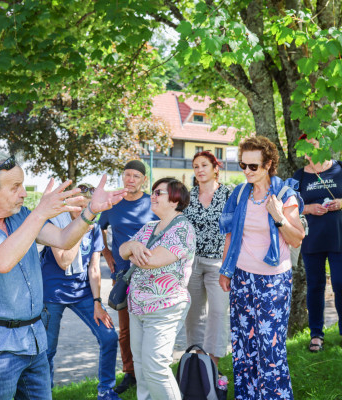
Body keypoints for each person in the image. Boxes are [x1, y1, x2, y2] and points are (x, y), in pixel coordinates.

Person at [0, 152, 127, 400]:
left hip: (33, 340)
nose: (23, 193)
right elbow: (0, 260)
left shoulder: (21, 216)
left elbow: (64, 239)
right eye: (15, 187)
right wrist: (40, 213)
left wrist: (90, 212)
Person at [219, 136, 305, 400]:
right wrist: (226, 269)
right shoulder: (239, 193)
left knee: (270, 348)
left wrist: (278, 217)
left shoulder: (283, 195)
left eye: (253, 167)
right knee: (244, 344)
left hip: (273, 281)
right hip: (243, 277)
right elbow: (231, 234)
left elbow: (297, 238)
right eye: (242, 165)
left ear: (268, 165)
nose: (246, 171)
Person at [40, 183, 120, 400]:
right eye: (78, 205)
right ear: (69, 202)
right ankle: (44, 394)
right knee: (47, 351)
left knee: (109, 337)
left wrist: (97, 302)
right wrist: (79, 226)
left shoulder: (93, 228)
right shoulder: (54, 223)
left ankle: (106, 390)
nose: (81, 211)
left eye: (86, 207)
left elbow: (94, 267)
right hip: (51, 294)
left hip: (82, 292)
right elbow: (64, 261)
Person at [119, 178, 196, 400]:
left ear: (175, 200)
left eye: (159, 193)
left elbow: (151, 260)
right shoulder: (149, 227)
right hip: (138, 307)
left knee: (156, 367)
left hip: (165, 307)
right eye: (153, 192)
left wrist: (134, 252)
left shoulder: (183, 229)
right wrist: (133, 247)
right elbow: (123, 250)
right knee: (142, 369)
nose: (152, 196)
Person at [98, 160, 157, 394]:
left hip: (150, 271)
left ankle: (150, 369)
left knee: (149, 323)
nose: (130, 179)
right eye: (127, 175)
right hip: (122, 273)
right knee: (125, 328)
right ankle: (130, 373)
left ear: (143, 179)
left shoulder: (151, 203)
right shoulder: (113, 204)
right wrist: (106, 254)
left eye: (135, 176)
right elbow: (98, 228)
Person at [293, 134, 342, 352]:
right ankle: (316, 335)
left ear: (323, 145)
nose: (309, 150)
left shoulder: (339, 169)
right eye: (305, 147)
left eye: (313, 144)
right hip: (312, 239)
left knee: (340, 284)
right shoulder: (300, 176)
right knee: (315, 286)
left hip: (339, 237)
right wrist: (309, 208)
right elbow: (290, 206)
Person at [183, 150, 231, 366]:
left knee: (219, 312)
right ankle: (198, 362)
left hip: (219, 263)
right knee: (194, 315)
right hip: (191, 263)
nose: (200, 170)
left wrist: (229, 265)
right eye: (196, 166)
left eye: (204, 165)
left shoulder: (229, 195)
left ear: (215, 168)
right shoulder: (188, 196)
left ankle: (214, 364)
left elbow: (235, 231)